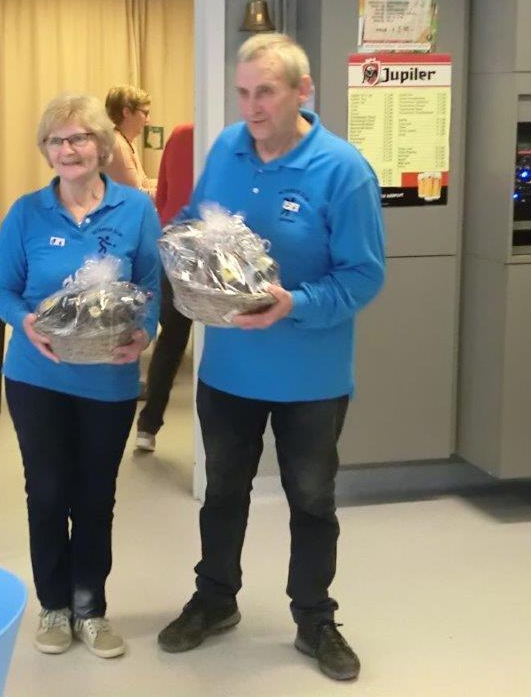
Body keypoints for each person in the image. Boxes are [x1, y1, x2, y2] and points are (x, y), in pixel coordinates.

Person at [156, 34, 386, 683]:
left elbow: (364, 276)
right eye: (244, 93)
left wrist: (295, 304)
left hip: (311, 378)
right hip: (229, 370)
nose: (252, 107)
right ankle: (215, 599)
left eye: (266, 92)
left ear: (302, 91)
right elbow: (197, 224)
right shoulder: (227, 148)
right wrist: (186, 260)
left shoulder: (343, 171)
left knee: (311, 500)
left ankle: (314, 617)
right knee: (223, 492)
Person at [0, 93, 161, 659]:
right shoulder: (26, 213)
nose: (68, 149)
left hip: (108, 381)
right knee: (46, 492)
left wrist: (145, 333)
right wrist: (25, 323)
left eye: (80, 138)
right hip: (37, 377)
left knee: (94, 496)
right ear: (46, 151)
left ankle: (90, 608)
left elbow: (151, 286)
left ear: (101, 145)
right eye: (57, 140)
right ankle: (53, 606)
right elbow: (2, 291)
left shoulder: (135, 210)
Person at [134, 123, 194, 452]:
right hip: (209, 249)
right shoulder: (228, 138)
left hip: (172, 243)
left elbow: (163, 197)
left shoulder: (179, 135)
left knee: (172, 337)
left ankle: (148, 425)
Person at [103, 85, 157, 197]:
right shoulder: (118, 144)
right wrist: (173, 191)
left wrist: (172, 182)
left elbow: (144, 182)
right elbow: (137, 195)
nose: (148, 121)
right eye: (145, 113)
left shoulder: (125, 141)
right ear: (126, 112)